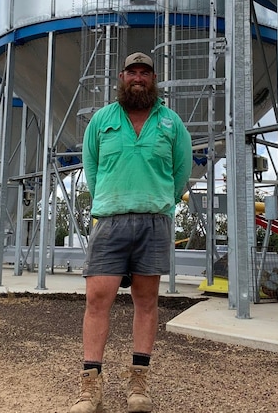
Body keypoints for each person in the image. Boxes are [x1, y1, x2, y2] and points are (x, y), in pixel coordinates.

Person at [70, 52, 192, 413]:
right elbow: (91, 168)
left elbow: (181, 170)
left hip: (154, 221)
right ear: (121, 78)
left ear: (154, 79)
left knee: (146, 301)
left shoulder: (170, 123)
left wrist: (160, 202)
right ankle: (90, 384)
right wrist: (109, 199)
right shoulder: (102, 120)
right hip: (110, 220)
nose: (138, 78)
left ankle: (139, 382)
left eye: (145, 73)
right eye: (132, 72)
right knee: (97, 298)